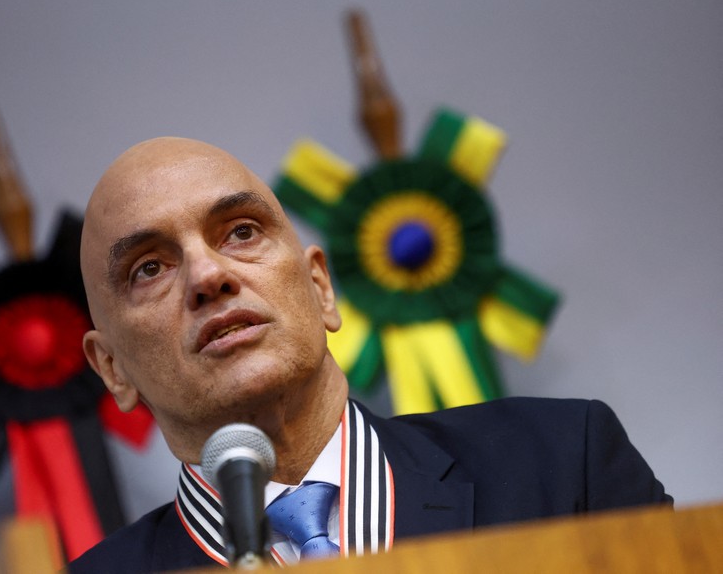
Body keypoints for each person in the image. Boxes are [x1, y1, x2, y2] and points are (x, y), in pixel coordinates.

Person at [70, 137, 671, 573]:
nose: (208, 275)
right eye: (149, 268)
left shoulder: (563, 465)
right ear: (112, 369)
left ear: (321, 288)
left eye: (241, 232)